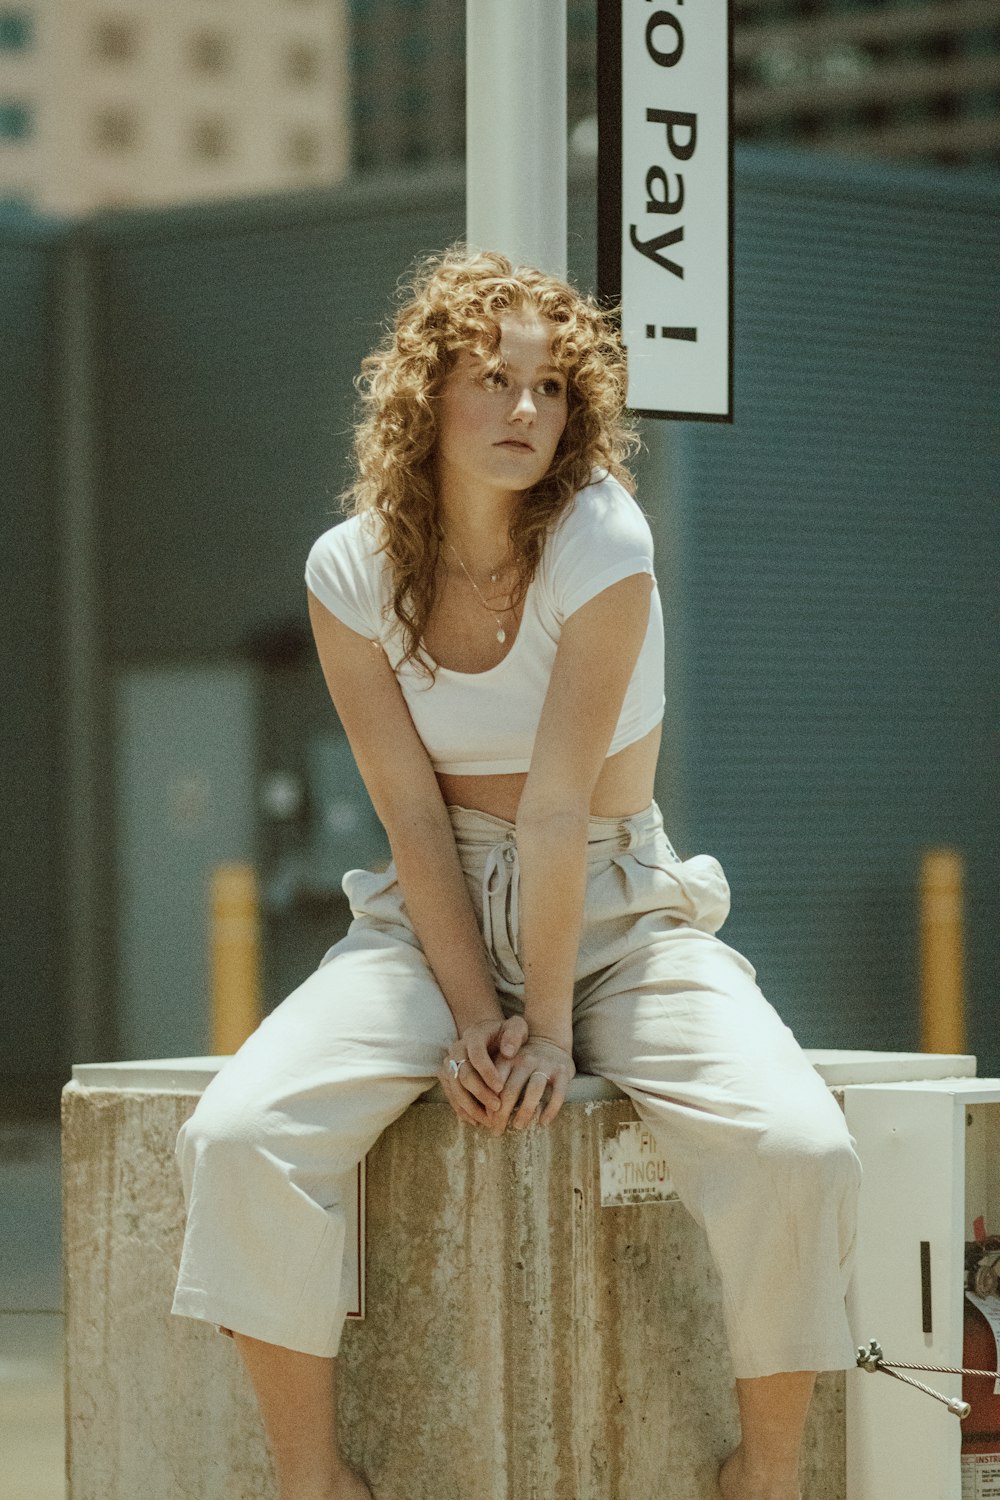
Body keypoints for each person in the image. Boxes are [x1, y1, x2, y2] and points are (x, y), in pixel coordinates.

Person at [171, 246, 863, 1500]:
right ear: (427, 397)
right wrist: (476, 1015)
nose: (524, 411)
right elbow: (411, 821)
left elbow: (555, 812)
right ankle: (318, 1483)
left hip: (613, 906)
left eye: (550, 389)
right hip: (424, 924)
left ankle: (762, 1475)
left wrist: (543, 1031)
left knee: (798, 1150)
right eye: (492, 379)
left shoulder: (602, 536)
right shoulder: (352, 569)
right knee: (240, 1136)